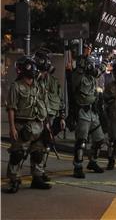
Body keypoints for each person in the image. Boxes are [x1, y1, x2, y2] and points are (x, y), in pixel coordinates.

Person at [4, 56, 51, 193]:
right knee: (17, 154)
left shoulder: (37, 85)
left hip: (38, 124)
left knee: (38, 152)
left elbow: (43, 104)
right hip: (22, 125)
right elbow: (11, 108)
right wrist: (12, 127)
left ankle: (37, 178)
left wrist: (46, 124)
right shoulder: (16, 86)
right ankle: (14, 180)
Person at [71, 53, 107, 178]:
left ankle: (93, 162)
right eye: (89, 63)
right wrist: (82, 67)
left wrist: (105, 62)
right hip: (82, 112)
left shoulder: (91, 77)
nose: (91, 66)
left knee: (99, 139)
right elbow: (76, 82)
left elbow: (99, 72)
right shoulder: (77, 76)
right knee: (81, 142)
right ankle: (78, 166)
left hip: (93, 112)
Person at [34, 49, 66, 181]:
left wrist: (62, 117)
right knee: (32, 148)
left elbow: (59, 99)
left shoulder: (53, 81)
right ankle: (19, 177)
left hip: (50, 116)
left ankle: (39, 172)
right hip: (36, 118)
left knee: (45, 146)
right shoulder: (33, 80)